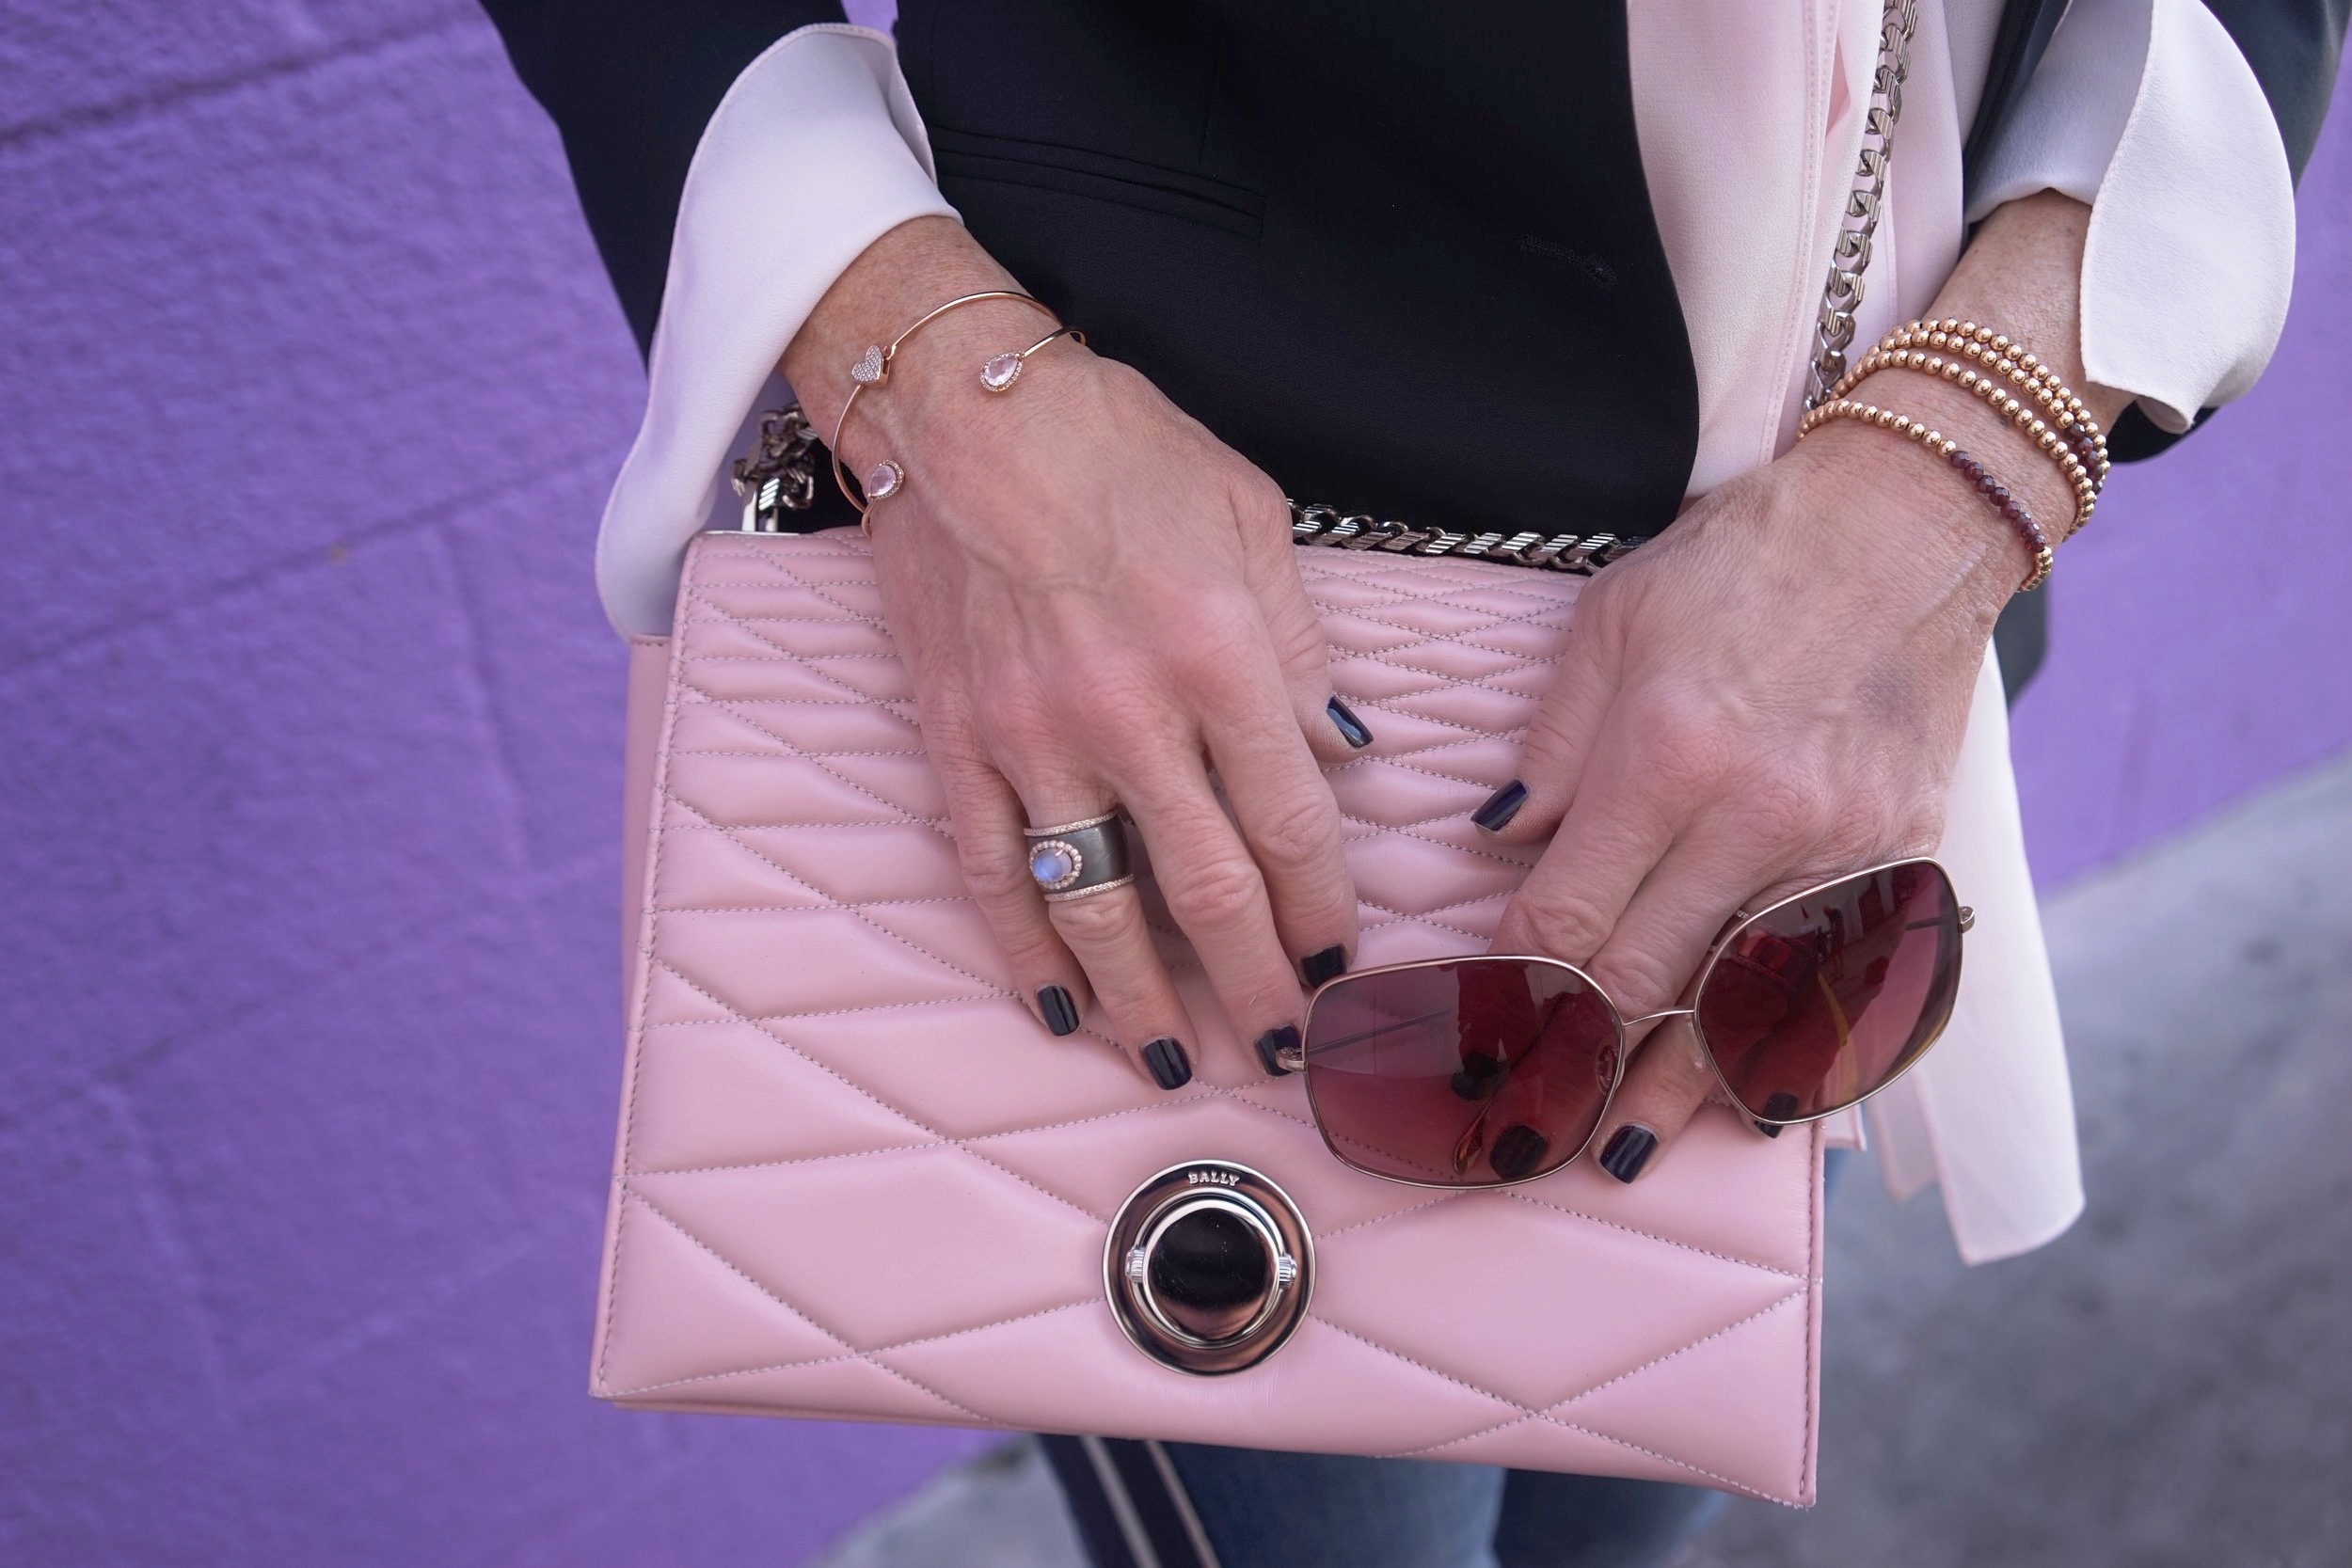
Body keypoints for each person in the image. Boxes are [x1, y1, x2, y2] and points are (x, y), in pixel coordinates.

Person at [482, 3, 2341, 1564]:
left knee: (1627, 1505)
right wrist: (916, 364)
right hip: (1181, 703)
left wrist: (1958, 465)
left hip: (1840, 714)